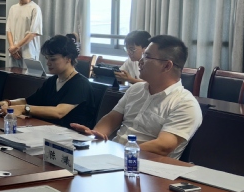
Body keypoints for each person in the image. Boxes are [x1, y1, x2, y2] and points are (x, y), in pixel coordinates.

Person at [71, 35, 202, 159]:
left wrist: (119, 151)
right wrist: (95, 135)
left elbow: (163, 146)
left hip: (146, 167)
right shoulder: (136, 89)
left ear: (167, 65)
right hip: (114, 157)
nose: (140, 61)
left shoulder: (185, 104)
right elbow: (112, 119)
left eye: (147, 56)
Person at [0, 34, 97, 128]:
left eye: (53, 59)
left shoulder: (80, 84)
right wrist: (7, 102)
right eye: (47, 58)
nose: (48, 63)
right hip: (49, 131)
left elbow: (58, 112)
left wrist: (24, 109)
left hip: (71, 138)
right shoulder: (52, 81)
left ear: (68, 58)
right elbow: (28, 101)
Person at [6, 0, 43, 68]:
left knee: (29, 76)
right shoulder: (13, 8)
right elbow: (9, 30)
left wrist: (16, 47)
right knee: (13, 75)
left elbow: (33, 33)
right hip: (14, 53)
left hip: (29, 53)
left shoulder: (35, 8)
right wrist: (12, 48)